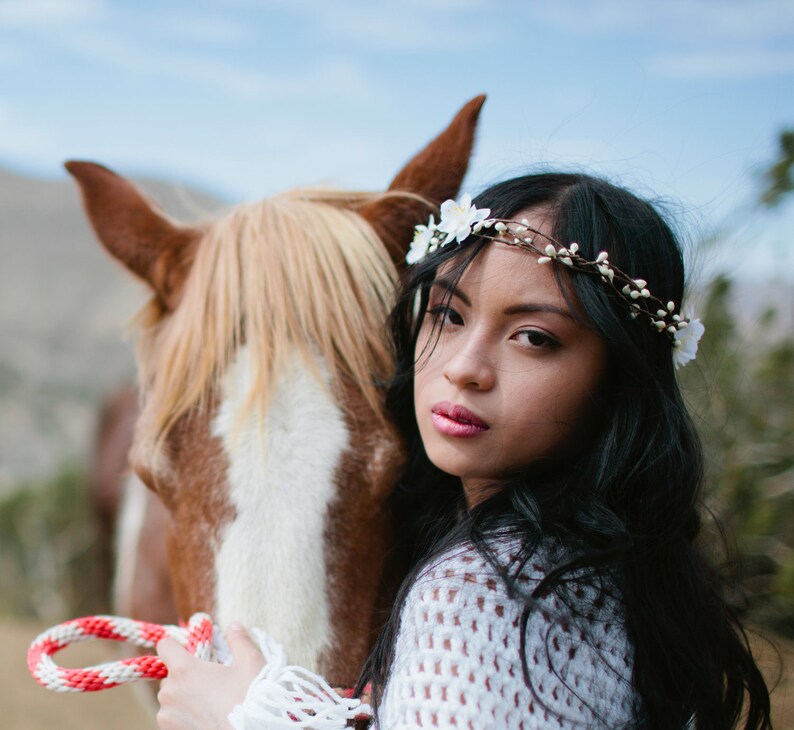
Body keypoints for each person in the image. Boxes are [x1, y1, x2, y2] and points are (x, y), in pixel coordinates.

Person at [155, 173, 772, 729]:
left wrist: (242, 716)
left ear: (619, 381)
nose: (464, 368)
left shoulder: (473, 597)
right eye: (448, 314)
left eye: (534, 337)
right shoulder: (623, 571)